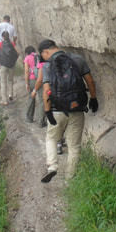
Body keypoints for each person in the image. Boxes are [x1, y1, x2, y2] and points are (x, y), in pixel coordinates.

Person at [37, 39, 98, 183]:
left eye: (42, 55)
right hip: (77, 109)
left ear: (46, 51)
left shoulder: (47, 66)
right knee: (74, 146)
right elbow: (90, 81)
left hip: (57, 110)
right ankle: (69, 180)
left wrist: (47, 112)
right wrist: (93, 98)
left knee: (51, 138)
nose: (43, 58)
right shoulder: (77, 59)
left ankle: (52, 167)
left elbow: (46, 90)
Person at [0, 31, 19, 106]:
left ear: (2, 37)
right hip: (11, 65)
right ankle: (10, 95)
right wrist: (14, 61)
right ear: (8, 36)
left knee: (3, 83)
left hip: (3, 65)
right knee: (10, 80)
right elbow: (18, 53)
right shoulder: (12, 43)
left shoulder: (0, 44)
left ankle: (4, 100)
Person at [23, 46, 46, 125]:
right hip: (40, 79)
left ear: (27, 52)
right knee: (42, 100)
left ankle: (29, 118)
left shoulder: (27, 58)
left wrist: (27, 83)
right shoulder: (39, 56)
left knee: (31, 98)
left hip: (32, 80)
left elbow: (26, 71)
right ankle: (41, 121)